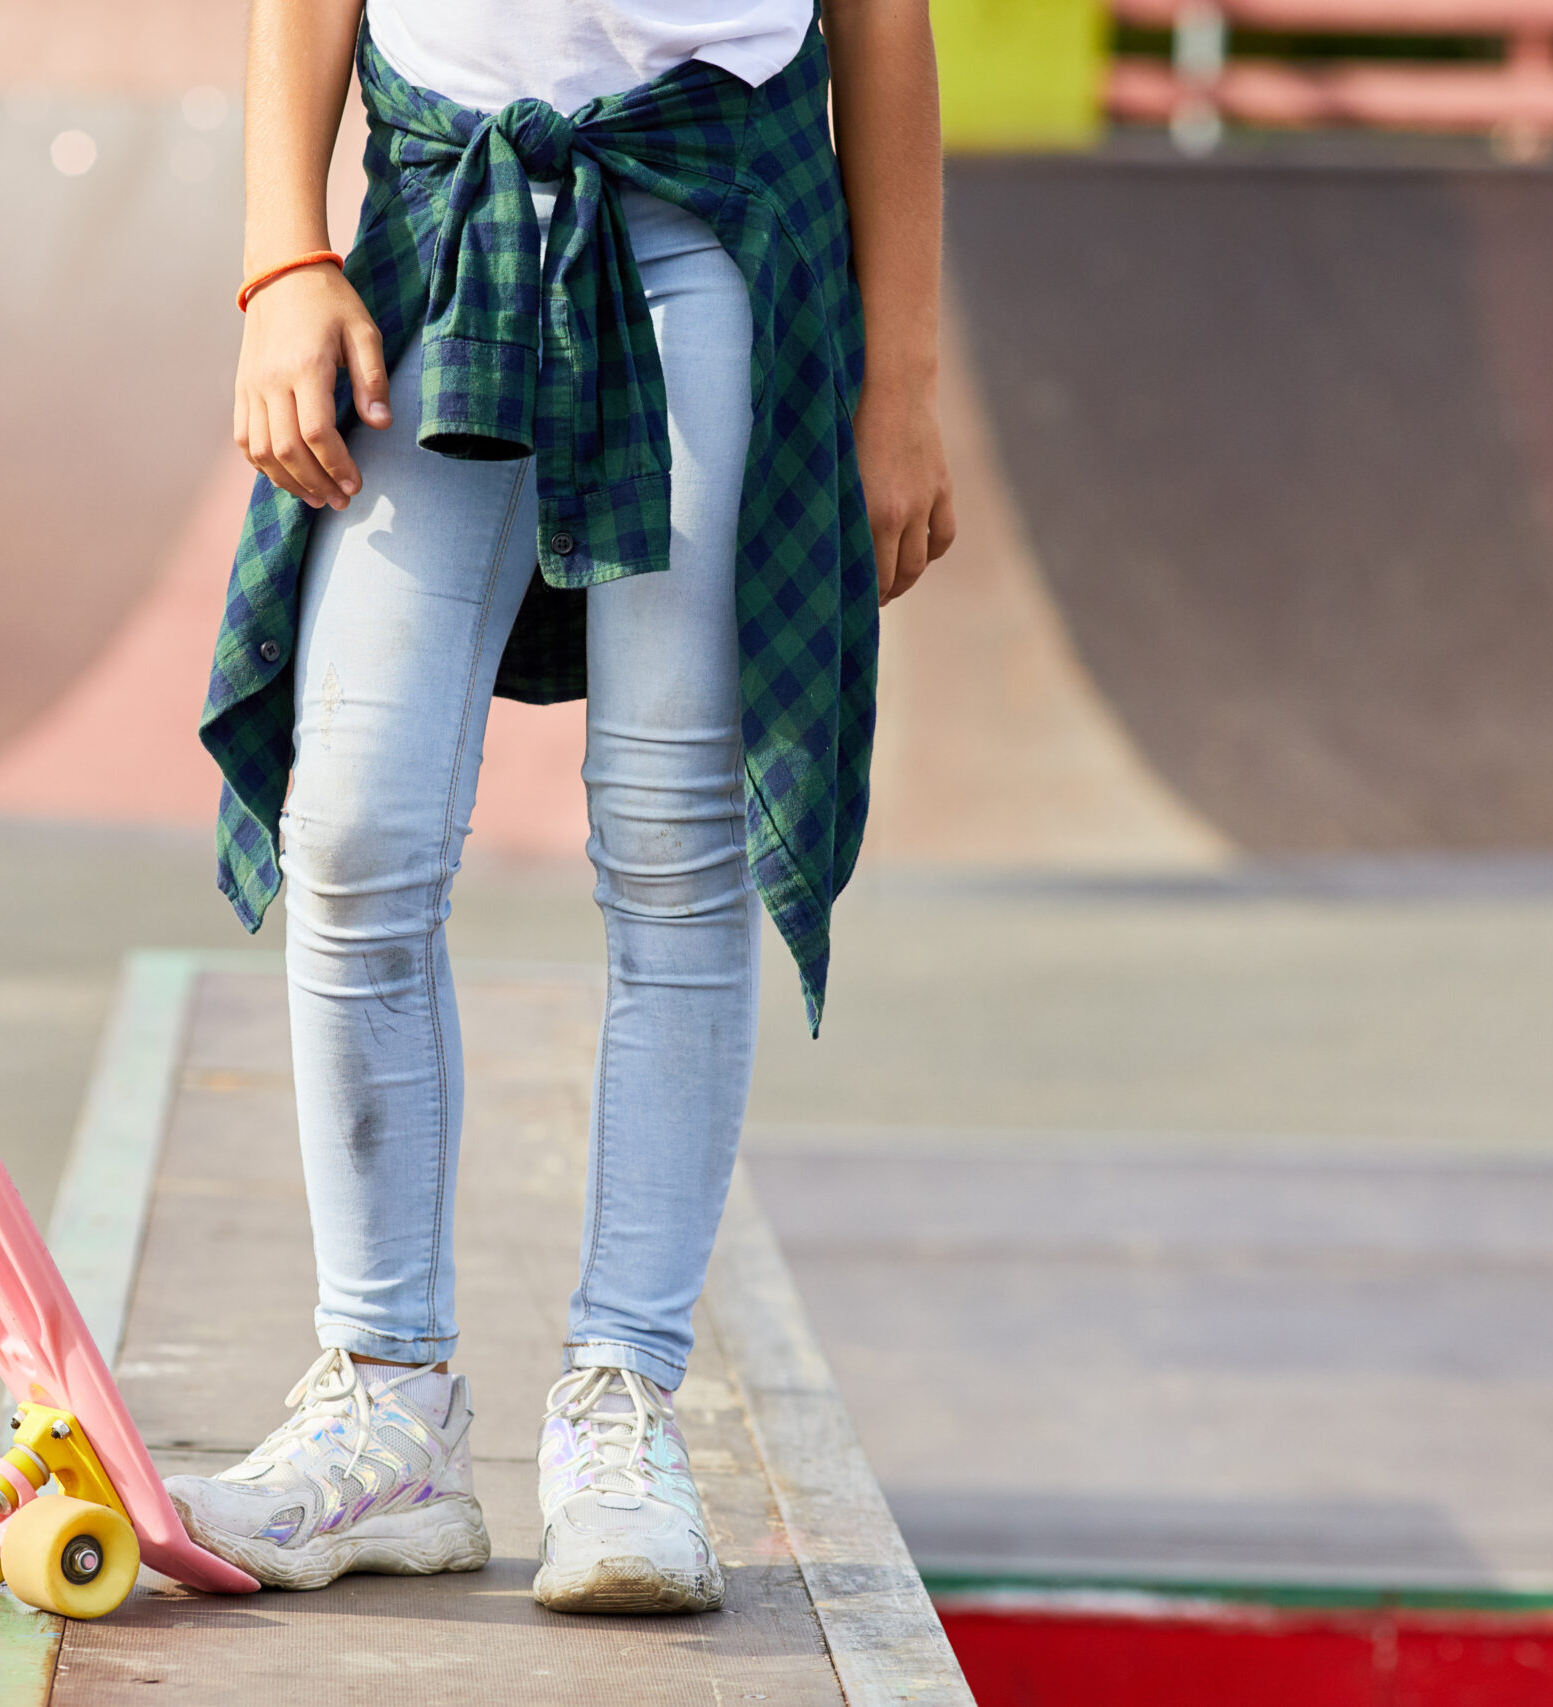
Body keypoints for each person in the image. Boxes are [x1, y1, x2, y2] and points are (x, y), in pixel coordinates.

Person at [169, 0, 955, 1615]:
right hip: (440, 214)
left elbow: (883, 21)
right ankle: (386, 1406)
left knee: (674, 844)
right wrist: (280, 260)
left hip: (712, 227)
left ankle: (624, 1405)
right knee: (357, 830)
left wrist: (903, 382)